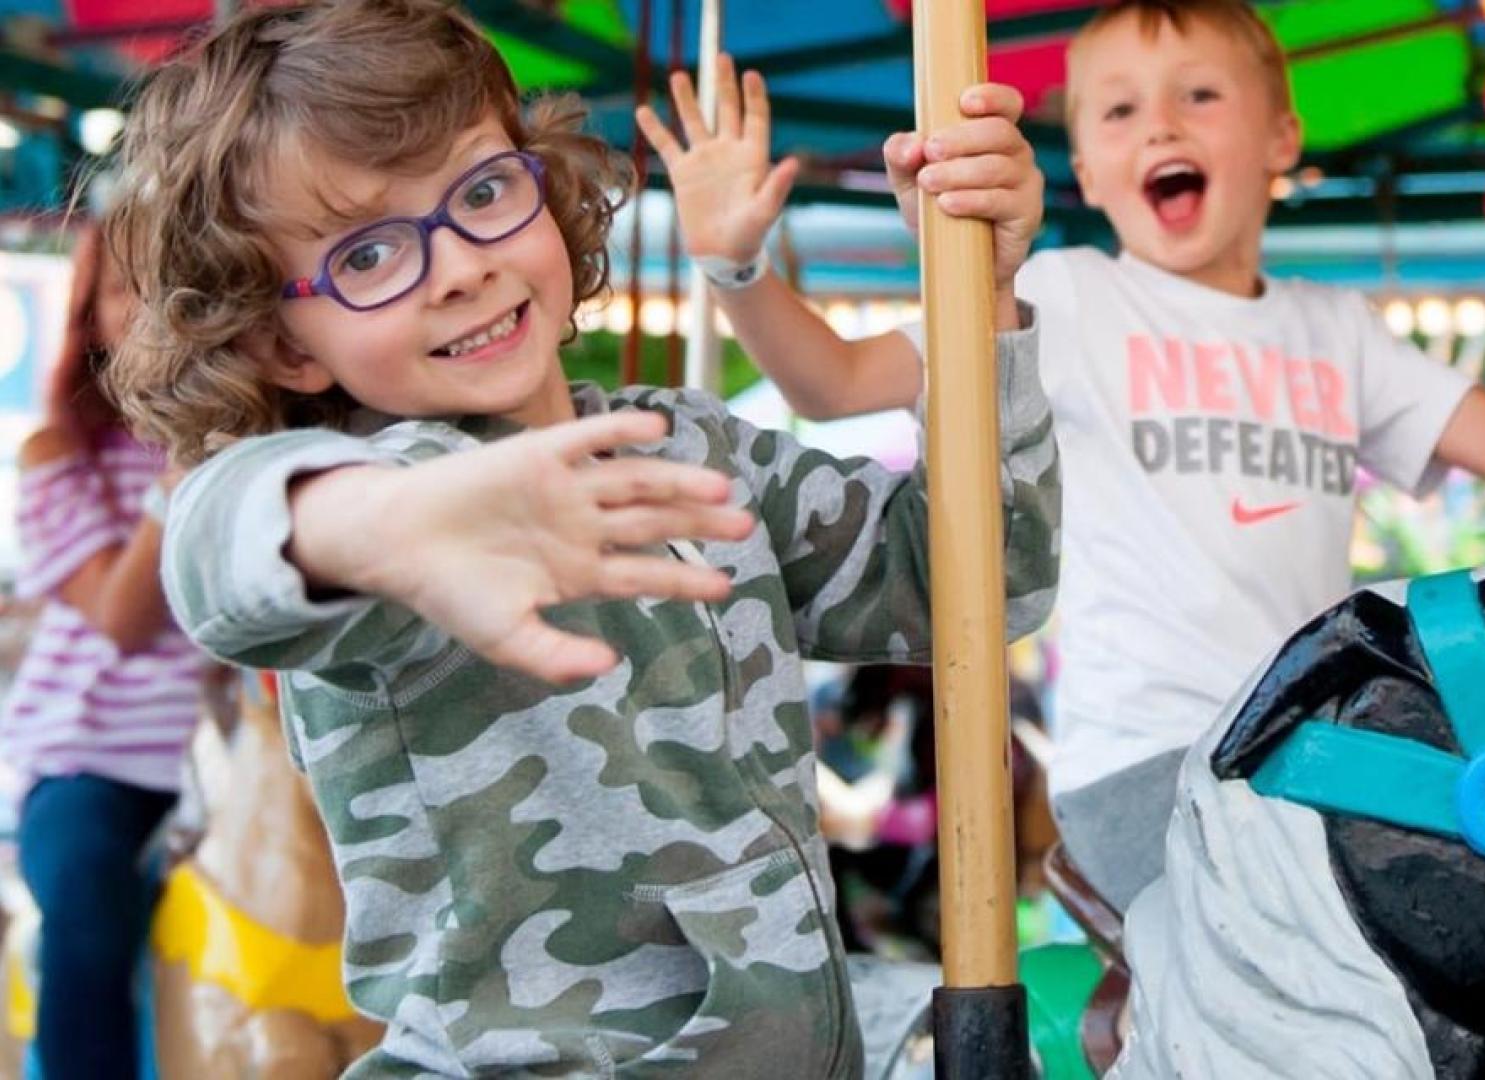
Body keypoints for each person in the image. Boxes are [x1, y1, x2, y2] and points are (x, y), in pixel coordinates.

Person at [101, 0, 1059, 1074]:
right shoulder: (391, 500)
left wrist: (985, 299)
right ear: (283, 345)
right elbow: (218, 550)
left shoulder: (691, 448)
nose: (459, 263)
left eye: (482, 191)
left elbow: (977, 586)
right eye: (369, 255)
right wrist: (380, 523)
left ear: (542, 188)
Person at [643, 0, 1485, 907]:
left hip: (1319, 755)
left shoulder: (1339, 330)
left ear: (1281, 137)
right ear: (1083, 162)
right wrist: (736, 265)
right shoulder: (1069, 296)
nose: (1160, 125)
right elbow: (834, 383)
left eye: (1199, 95)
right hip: (1147, 760)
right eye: (1118, 113)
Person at [0, 225, 218, 1077]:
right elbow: (122, 621)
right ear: (92, 316)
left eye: (177, 287)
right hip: (95, 754)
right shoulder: (61, 453)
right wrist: (184, 482)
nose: (159, 313)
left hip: (232, 753)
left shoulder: (240, 441)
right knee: (90, 908)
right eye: (131, 291)